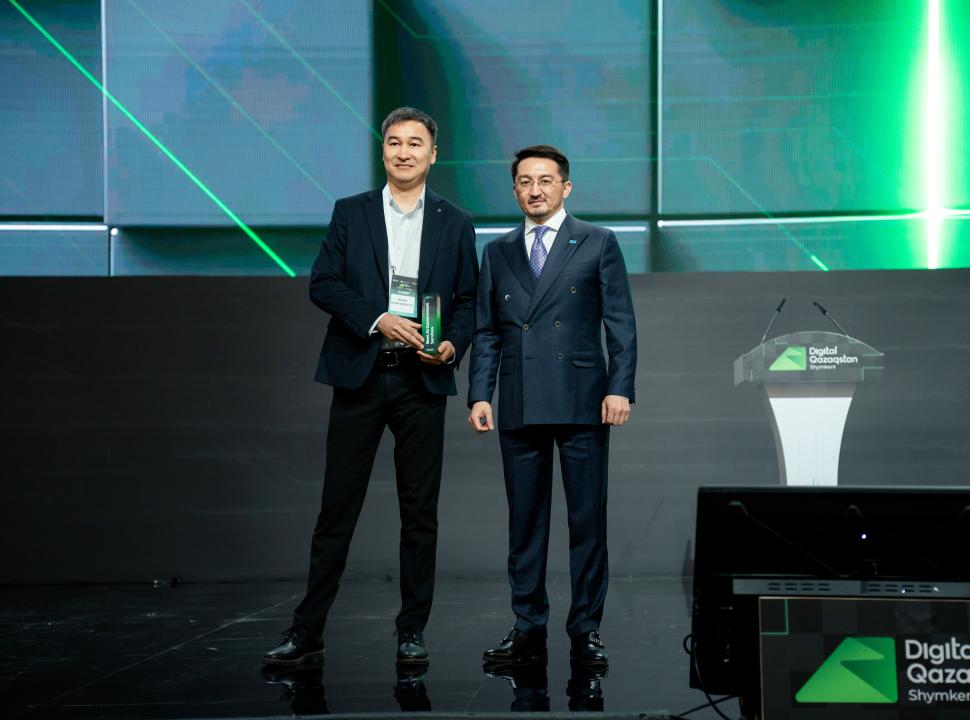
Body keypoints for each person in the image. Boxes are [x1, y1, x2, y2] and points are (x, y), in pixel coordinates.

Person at [264, 107, 478, 667]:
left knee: (420, 515)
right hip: (360, 375)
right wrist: (377, 318)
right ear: (382, 151)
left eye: (415, 143)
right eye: (394, 142)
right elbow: (323, 283)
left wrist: (452, 345)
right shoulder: (350, 212)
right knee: (336, 511)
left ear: (433, 154)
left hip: (422, 381)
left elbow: (467, 301)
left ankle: (412, 631)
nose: (404, 152)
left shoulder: (456, 221)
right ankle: (307, 632)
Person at [467, 145, 636, 666]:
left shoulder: (598, 241)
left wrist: (620, 387)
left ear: (565, 187)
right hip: (519, 399)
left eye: (545, 180)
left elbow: (620, 323)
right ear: (514, 190)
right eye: (524, 181)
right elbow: (487, 331)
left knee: (586, 522)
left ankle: (586, 629)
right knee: (524, 524)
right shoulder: (498, 252)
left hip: (583, 398)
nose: (534, 190)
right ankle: (527, 627)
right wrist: (480, 393)